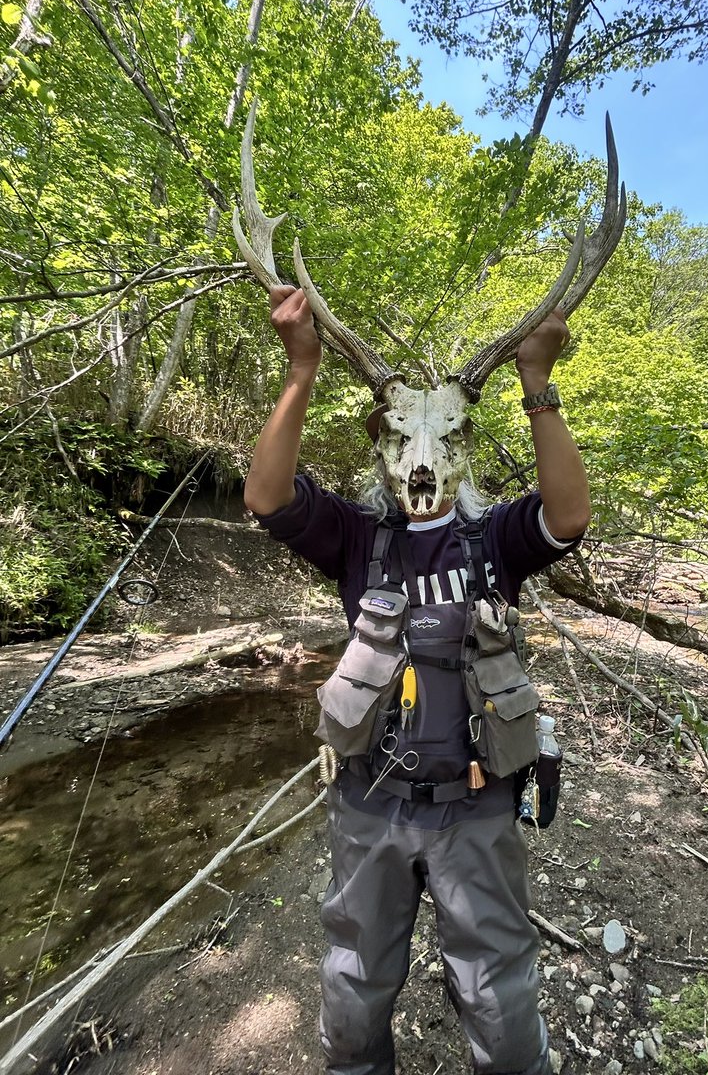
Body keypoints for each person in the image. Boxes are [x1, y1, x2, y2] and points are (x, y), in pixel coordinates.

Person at [245, 284, 592, 1075]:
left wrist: (539, 387)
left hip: (477, 806)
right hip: (370, 803)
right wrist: (301, 370)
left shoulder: (494, 539)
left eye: (441, 442)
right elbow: (266, 495)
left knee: (502, 1005)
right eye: (402, 441)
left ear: (464, 447)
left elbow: (568, 517)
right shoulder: (356, 538)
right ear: (382, 449)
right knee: (354, 990)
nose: (422, 463)